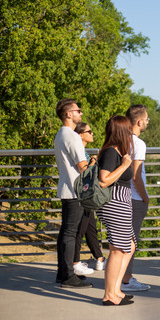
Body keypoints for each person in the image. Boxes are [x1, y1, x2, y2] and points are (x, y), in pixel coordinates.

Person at [96, 115, 135, 306]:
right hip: (115, 203)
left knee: (129, 245)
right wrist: (125, 165)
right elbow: (104, 180)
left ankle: (116, 289)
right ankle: (109, 294)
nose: (131, 133)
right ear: (121, 132)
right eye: (128, 130)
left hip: (121, 202)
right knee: (118, 249)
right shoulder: (111, 152)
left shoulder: (117, 151)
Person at [54, 99, 92, 288]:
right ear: (69, 114)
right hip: (75, 191)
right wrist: (94, 163)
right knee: (70, 234)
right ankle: (69, 276)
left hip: (66, 188)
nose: (81, 113)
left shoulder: (61, 134)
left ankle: (62, 273)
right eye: (78, 110)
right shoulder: (72, 136)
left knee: (65, 233)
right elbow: (82, 166)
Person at [121, 105, 151, 292]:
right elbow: (136, 175)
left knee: (122, 239)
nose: (147, 122)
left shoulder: (120, 139)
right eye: (146, 119)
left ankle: (121, 277)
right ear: (139, 122)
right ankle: (126, 279)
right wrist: (145, 197)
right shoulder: (138, 144)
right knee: (132, 240)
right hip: (134, 198)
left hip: (120, 197)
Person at [73, 122, 106, 274]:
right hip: (81, 193)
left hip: (85, 194)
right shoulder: (78, 150)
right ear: (80, 134)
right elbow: (85, 171)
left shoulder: (82, 150)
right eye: (89, 131)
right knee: (80, 228)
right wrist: (93, 161)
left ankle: (99, 259)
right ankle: (75, 261)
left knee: (90, 226)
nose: (92, 134)